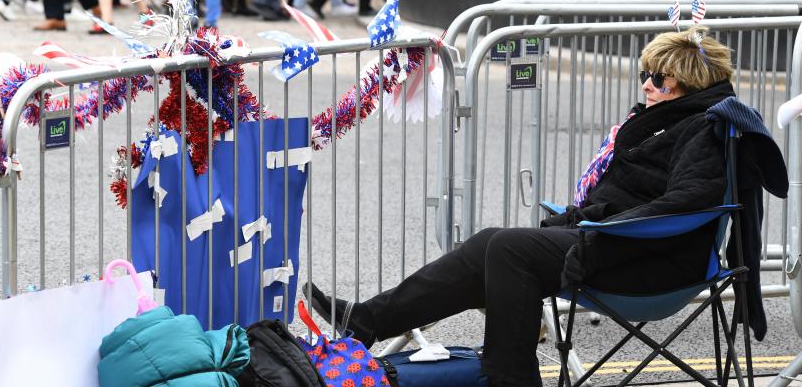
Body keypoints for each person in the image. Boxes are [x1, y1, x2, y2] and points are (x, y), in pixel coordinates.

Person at [303, 27, 738, 386]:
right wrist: (583, 221)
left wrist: (600, 228)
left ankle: (507, 378)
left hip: (656, 260)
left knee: (511, 249)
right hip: (621, 244)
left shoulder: (701, 128)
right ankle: (365, 320)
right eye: (646, 74)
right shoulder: (660, 123)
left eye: (660, 80)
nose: (646, 85)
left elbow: (688, 202)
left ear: (689, 85)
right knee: (492, 241)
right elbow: (631, 195)